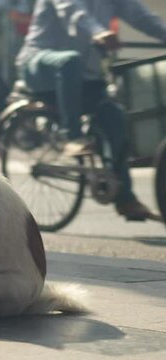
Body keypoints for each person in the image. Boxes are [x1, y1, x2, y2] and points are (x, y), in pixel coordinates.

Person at [16, 0, 166, 221]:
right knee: (70, 61)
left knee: (115, 116)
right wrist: (99, 32)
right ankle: (72, 136)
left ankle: (125, 197)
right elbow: (74, 13)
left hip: (85, 77)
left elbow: (143, 18)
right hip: (40, 66)